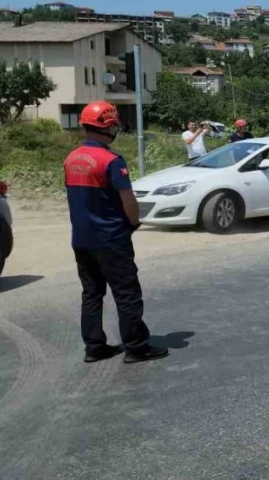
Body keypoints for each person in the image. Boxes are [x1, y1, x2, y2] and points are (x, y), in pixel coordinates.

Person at [63, 101, 169, 363]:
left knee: (91, 294)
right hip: (111, 239)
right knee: (127, 293)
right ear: (109, 126)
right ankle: (136, 346)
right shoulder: (111, 161)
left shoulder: (71, 158)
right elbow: (128, 200)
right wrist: (133, 223)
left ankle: (94, 347)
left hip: (81, 239)